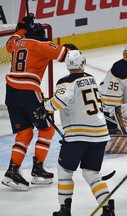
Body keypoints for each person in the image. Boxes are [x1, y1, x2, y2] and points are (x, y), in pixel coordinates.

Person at [34, 50, 115, 216]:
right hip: (100, 134)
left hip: (79, 136)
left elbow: (59, 101)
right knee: (92, 174)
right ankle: (107, 208)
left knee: (64, 171)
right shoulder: (91, 79)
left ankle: (65, 210)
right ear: (82, 63)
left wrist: (44, 108)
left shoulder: (66, 82)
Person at [1, 13, 76, 191]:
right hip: (28, 91)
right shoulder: (42, 44)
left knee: (25, 132)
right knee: (47, 128)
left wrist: (21, 28)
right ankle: (37, 169)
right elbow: (66, 54)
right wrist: (71, 49)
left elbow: (10, 41)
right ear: (43, 35)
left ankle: (12, 171)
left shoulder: (17, 43)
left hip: (11, 92)